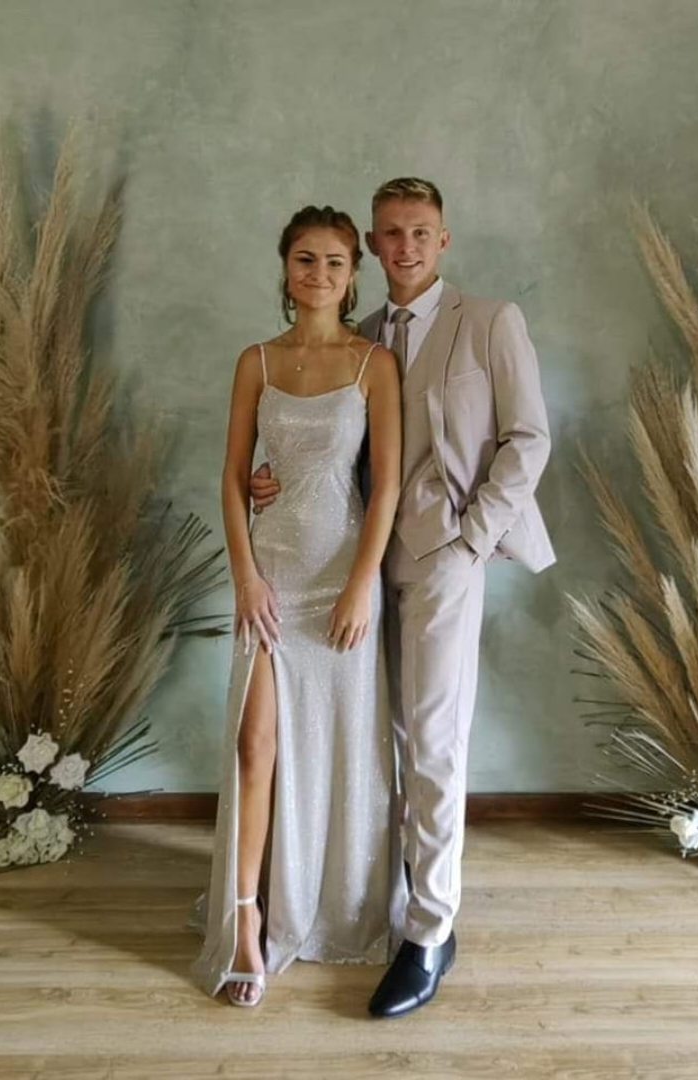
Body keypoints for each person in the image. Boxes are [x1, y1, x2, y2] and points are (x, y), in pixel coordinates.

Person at [252, 178, 555, 1017]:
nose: (406, 246)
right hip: (351, 560)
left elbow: (529, 438)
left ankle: (429, 932)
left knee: (432, 744)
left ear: (443, 240)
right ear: (373, 248)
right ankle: (378, 901)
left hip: (442, 559)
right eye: (390, 233)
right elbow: (337, 443)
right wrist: (271, 477)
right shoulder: (363, 337)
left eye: (420, 232)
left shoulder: (488, 322)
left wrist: (470, 539)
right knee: (373, 740)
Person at [193, 205, 405, 1007]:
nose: (319, 274)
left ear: (353, 277)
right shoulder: (256, 360)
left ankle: (330, 901)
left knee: (336, 746)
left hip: (341, 576)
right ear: (286, 267)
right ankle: (246, 920)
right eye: (306, 259)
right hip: (273, 573)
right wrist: (245, 576)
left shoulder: (373, 364)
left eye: (335, 262)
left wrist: (361, 583)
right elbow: (231, 476)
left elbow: (385, 485)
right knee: (256, 746)